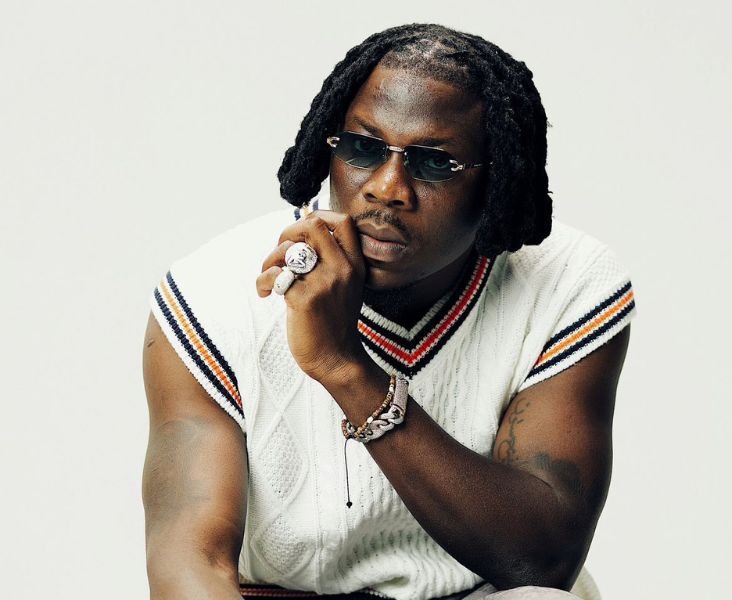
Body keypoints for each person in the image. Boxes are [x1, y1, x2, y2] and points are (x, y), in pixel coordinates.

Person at [142, 23, 636, 600]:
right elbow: (191, 561)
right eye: (362, 148)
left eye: (434, 163)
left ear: (500, 180)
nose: (386, 188)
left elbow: (542, 561)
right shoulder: (212, 293)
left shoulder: (567, 283)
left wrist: (345, 368)